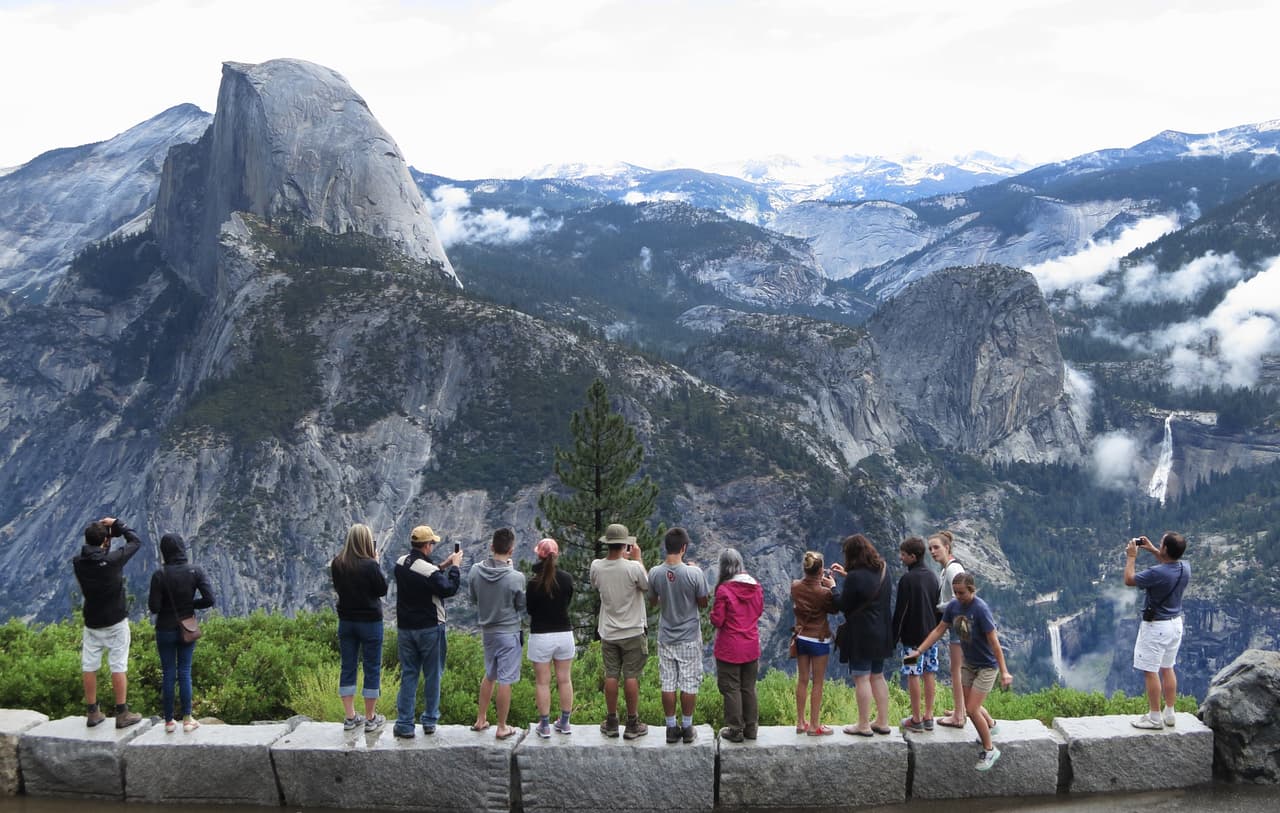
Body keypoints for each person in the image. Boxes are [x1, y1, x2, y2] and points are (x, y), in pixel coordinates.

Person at [908, 572, 1014, 772]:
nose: (958, 596)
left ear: (972, 590)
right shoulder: (954, 607)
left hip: (986, 666)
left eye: (962, 592)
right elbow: (939, 630)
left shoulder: (980, 609)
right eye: (955, 592)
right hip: (969, 663)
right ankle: (990, 725)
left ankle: (989, 749)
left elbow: (994, 642)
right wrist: (920, 650)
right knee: (968, 705)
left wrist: (1005, 671)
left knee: (972, 710)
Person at [72, 516, 144, 728]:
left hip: (92, 621)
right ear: (105, 542)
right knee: (118, 665)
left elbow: (94, 556)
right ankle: (122, 713)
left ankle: (93, 712)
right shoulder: (112, 561)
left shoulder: (78, 563)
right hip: (115, 620)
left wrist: (105, 538)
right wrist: (117, 524)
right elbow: (136, 542)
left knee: (89, 665)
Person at [393, 525, 462, 739]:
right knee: (433, 675)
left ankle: (404, 724)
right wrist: (455, 568)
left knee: (409, 674)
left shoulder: (401, 563)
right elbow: (447, 589)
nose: (433, 546)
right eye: (432, 543)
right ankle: (430, 720)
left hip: (405, 628)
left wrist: (443, 564)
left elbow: (424, 576)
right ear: (426, 545)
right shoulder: (429, 571)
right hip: (430, 627)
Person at [147, 533, 215, 734]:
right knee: (185, 672)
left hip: (165, 629)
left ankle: (168, 722)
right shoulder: (196, 571)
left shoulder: (160, 575)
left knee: (168, 673)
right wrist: (190, 605)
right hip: (187, 627)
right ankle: (187, 719)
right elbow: (210, 599)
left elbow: (154, 607)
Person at [647, 527, 709, 744]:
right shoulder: (694, 574)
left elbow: (652, 601)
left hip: (666, 635)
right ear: (684, 548)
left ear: (667, 547)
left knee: (668, 682)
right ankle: (687, 726)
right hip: (689, 636)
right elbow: (703, 603)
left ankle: (670, 728)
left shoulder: (654, 572)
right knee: (689, 683)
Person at [589, 523, 650, 739]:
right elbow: (646, 584)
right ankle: (632, 723)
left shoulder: (596, 566)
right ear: (625, 544)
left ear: (607, 544)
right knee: (631, 676)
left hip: (609, 631)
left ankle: (612, 720)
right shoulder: (633, 568)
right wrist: (637, 559)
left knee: (611, 674)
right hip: (633, 630)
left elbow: (595, 584)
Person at [1124, 531, 1190, 730]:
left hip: (1156, 627)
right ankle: (1169, 713)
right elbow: (1167, 560)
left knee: (1150, 671)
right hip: (1175, 624)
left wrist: (1131, 556)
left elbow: (1129, 579)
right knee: (1167, 667)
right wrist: (1153, 549)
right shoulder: (1185, 567)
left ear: (1166, 549)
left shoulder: (1156, 573)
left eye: (1161, 544)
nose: (1159, 546)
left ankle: (1154, 717)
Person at [927, 530, 991, 732]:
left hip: (959, 623)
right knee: (960, 668)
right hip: (959, 623)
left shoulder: (953, 569)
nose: (932, 551)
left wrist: (940, 608)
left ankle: (959, 715)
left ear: (947, 547)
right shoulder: (947, 568)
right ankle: (962, 709)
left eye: (936, 547)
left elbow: (960, 599)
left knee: (957, 670)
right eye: (930, 548)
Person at [832, 533, 893, 737]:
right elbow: (869, 587)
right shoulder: (883, 569)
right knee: (878, 676)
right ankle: (883, 722)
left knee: (861, 678)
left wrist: (833, 588)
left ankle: (863, 724)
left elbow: (843, 604)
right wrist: (847, 576)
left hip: (862, 634)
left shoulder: (856, 576)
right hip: (883, 631)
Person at [468, 527, 527, 740]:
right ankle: (502, 726)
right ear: (511, 550)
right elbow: (521, 605)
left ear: (492, 547)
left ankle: (481, 718)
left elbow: (473, 598)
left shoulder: (475, 570)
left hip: (488, 631)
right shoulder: (516, 577)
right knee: (505, 679)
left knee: (489, 674)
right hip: (509, 631)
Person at [330, 523, 388, 733]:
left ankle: (350, 716)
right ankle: (371, 718)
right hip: (370, 622)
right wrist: (376, 563)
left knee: (348, 666)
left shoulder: (337, 563)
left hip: (346, 622)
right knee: (371, 667)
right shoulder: (370, 566)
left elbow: (338, 588)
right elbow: (382, 590)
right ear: (366, 541)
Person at [711, 547, 764, 743]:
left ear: (723, 567)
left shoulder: (724, 590)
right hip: (751, 645)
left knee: (731, 688)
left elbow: (718, 620)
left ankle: (735, 729)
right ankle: (752, 728)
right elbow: (758, 611)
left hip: (729, 648)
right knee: (748, 687)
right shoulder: (756, 587)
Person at [526, 537, 575, 737]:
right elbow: (568, 602)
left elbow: (530, 610)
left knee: (542, 682)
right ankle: (564, 722)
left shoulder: (533, 582)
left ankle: (544, 725)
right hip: (564, 633)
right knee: (565, 679)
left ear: (539, 554)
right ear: (557, 555)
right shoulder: (567, 579)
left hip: (541, 635)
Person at [892, 536, 940, 733]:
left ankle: (916, 718)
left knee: (913, 674)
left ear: (913, 556)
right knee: (929, 673)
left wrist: (893, 637)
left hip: (912, 640)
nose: (901, 558)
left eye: (903, 555)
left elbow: (901, 611)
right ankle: (929, 716)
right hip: (931, 637)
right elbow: (938, 608)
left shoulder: (907, 580)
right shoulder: (932, 576)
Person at [790, 550, 837, 736]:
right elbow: (834, 609)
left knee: (802, 680)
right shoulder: (824, 593)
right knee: (818, 682)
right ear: (821, 570)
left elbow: (804, 592)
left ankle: (800, 722)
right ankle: (814, 725)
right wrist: (831, 587)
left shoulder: (795, 586)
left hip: (801, 637)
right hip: (818, 639)